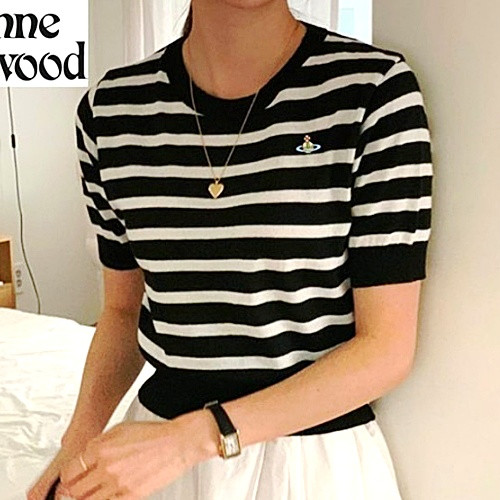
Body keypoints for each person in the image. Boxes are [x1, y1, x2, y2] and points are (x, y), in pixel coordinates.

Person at [28, 0, 433, 498]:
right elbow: (121, 311)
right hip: (159, 459)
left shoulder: (372, 92)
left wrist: (193, 438)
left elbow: (386, 349)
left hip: (310, 461)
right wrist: (77, 443)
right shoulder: (110, 112)